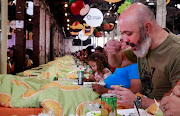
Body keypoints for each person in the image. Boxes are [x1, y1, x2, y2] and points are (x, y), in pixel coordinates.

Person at [106, 2, 180, 109]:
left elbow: (174, 106)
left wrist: (138, 102)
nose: (124, 40)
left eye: (129, 33)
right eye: (123, 33)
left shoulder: (176, 51)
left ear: (147, 28)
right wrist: (112, 51)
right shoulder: (144, 45)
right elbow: (118, 62)